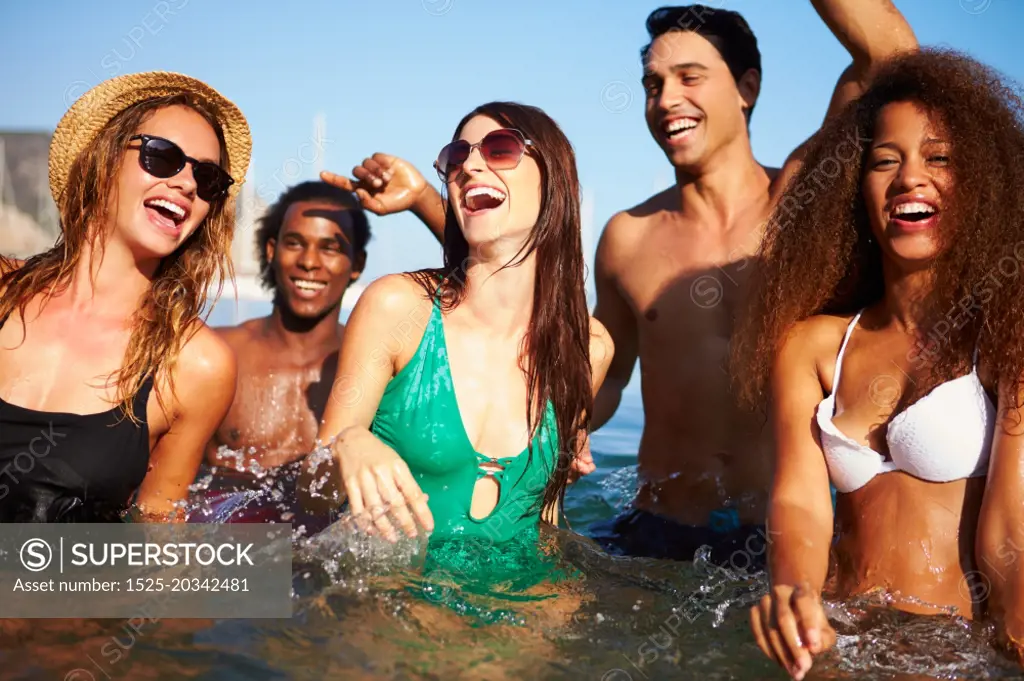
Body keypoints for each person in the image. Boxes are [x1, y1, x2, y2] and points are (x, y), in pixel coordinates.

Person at [584, 1, 918, 565]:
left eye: (690, 77)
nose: (666, 100)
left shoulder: (796, 202)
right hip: (650, 535)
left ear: (747, 87)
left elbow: (890, 53)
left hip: (777, 537)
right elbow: (611, 376)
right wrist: (563, 424)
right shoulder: (627, 236)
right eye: (653, 83)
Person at [731, 49, 1024, 678]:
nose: (909, 177)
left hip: (956, 655)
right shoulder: (811, 347)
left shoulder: (1008, 338)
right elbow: (800, 506)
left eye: (939, 158)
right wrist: (796, 598)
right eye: (884, 161)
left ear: (982, 185)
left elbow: (1009, 536)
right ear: (855, 191)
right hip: (841, 645)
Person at [306, 101, 613, 572]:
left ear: (554, 178)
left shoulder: (588, 349)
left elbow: (547, 518)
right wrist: (347, 443)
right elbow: (317, 489)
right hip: (392, 610)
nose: (469, 165)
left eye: (500, 149)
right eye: (456, 156)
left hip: (523, 615)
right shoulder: (396, 307)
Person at [0, 71, 250, 522]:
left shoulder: (194, 365)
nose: (187, 184)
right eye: (162, 156)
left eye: (208, 178)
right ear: (103, 158)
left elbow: (155, 542)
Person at [192, 180, 443, 530]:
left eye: (330, 248)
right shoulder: (218, 353)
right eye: (295, 243)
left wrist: (422, 200)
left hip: (330, 570)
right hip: (232, 557)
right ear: (271, 250)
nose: (309, 262)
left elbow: (491, 282)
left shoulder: (377, 365)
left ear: (357, 264)